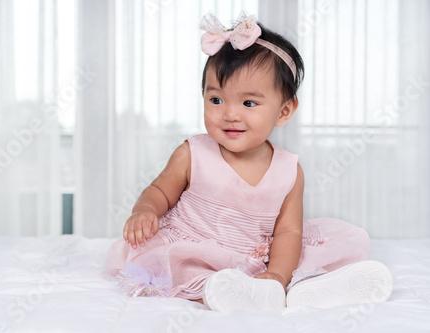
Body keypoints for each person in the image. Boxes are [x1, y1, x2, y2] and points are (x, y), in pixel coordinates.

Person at [105, 12, 393, 313]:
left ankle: (301, 288)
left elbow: (287, 233)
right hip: (196, 249)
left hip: (261, 257)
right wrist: (145, 210)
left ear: (284, 111)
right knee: (183, 268)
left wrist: (278, 275)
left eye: (249, 103)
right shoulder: (193, 153)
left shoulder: (289, 171)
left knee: (334, 245)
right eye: (216, 100)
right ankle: (229, 292)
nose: (230, 114)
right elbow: (160, 191)